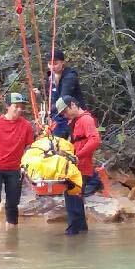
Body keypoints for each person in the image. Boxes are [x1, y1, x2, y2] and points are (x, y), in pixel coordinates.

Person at [0, 92, 35, 242]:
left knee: (12, 205)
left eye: (21, 107)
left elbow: (29, 148)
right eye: (16, 106)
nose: (19, 110)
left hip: (14, 169)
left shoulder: (26, 125)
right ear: (8, 107)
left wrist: (26, 167)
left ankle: (11, 242)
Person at [55, 95, 101, 235]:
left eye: (65, 111)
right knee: (75, 202)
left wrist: (77, 156)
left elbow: (95, 140)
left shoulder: (86, 120)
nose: (64, 115)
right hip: (76, 168)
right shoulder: (75, 121)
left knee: (73, 203)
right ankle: (81, 234)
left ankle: (72, 236)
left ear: (73, 105)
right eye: (62, 113)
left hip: (81, 168)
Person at [47, 49, 84, 139]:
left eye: (55, 64)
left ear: (62, 63)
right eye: (50, 64)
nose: (52, 67)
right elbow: (51, 97)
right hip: (59, 114)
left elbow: (62, 100)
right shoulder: (51, 76)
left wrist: (49, 111)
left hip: (72, 113)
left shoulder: (70, 77)